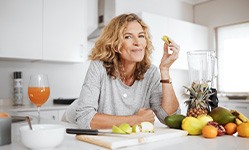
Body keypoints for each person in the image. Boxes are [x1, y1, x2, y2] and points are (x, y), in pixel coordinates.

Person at [65, 13, 180, 129]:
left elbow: (170, 118)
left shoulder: (151, 73)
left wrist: (165, 70)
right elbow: (84, 118)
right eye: (128, 37)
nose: (137, 42)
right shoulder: (98, 67)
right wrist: (136, 119)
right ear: (115, 45)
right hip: (70, 122)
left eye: (141, 36)